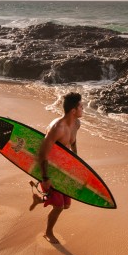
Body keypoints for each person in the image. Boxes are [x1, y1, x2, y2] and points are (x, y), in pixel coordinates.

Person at [38, 92, 83, 243]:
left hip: (63, 168)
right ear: (73, 110)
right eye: (81, 106)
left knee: (66, 206)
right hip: (49, 170)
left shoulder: (76, 124)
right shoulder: (57, 128)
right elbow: (42, 154)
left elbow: (73, 141)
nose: (83, 108)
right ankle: (48, 232)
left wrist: (76, 160)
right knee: (58, 206)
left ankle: (44, 198)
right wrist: (45, 178)